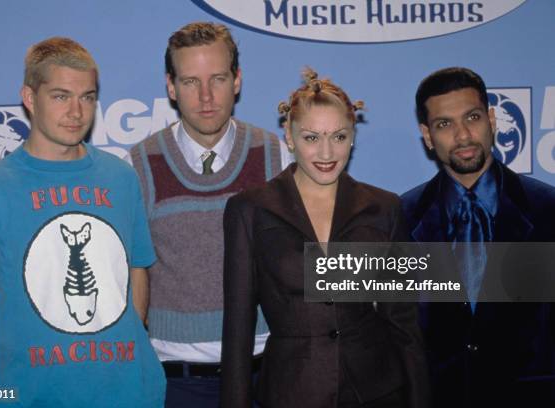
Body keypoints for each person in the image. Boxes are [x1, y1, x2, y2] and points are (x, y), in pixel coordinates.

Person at [0, 37, 165, 407]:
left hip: (132, 394)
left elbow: (136, 270)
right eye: (61, 96)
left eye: (88, 97)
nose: (77, 112)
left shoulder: (120, 178)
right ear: (30, 98)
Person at [221, 69, 429, 408]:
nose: (327, 152)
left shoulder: (384, 208)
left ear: (353, 137)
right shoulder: (250, 210)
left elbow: (403, 323)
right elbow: (238, 329)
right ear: (289, 137)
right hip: (291, 391)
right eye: (311, 137)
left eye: (339, 136)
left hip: (375, 392)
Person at [129, 22, 292, 407]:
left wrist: (449, 274)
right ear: (171, 87)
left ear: (237, 80)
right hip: (179, 383)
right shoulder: (138, 167)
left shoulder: (279, 157)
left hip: (267, 376)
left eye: (217, 78)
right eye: (190, 82)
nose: (205, 96)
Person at [401, 66, 555, 408]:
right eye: (444, 124)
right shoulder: (400, 217)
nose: (463, 135)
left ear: (491, 119)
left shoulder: (547, 210)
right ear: (427, 136)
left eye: (472, 117)